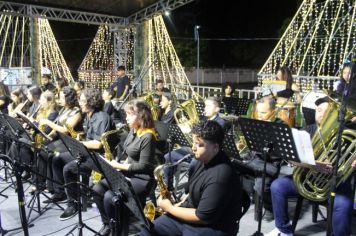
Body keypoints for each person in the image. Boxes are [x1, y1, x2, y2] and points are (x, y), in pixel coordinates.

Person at [266, 96, 355, 236]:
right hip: (307, 180)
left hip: (336, 183)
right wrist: (312, 165)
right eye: (318, 110)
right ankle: (284, 230)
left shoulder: (348, 132)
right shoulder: (306, 131)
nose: (321, 113)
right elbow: (291, 158)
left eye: (328, 111)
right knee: (278, 186)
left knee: (344, 205)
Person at [140, 120, 242, 236]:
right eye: (193, 142)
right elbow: (195, 192)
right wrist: (179, 204)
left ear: (215, 147)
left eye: (199, 144)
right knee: (147, 231)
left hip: (213, 226)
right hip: (193, 214)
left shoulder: (221, 175)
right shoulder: (201, 160)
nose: (193, 148)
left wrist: (170, 208)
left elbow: (201, 217)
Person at [46, 88, 114, 220]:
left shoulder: (101, 117)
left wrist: (79, 144)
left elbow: (98, 144)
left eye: (83, 101)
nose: (80, 103)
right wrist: (79, 138)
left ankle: (74, 204)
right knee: (57, 158)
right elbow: (89, 137)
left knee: (68, 168)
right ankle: (61, 192)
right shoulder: (89, 115)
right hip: (88, 153)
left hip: (99, 158)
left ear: (91, 101)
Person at [93, 99, 157, 235]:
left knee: (111, 197)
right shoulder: (133, 130)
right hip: (128, 173)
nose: (126, 118)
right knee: (98, 188)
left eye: (130, 114)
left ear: (141, 115)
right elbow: (129, 154)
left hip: (142, 178)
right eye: (126, 114)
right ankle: (109, 224)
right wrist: (116, 164)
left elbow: (144, 166)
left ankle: (120, 231)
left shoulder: (148, 136)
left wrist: (119, 166)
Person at [163, 96, 225, 191]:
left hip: (205, 152)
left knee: (193, 165)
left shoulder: (220, 123)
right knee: (168, 156)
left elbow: (208, 141)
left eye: (208, 106)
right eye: (205, 106)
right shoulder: (203, 119)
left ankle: (191, 190)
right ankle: (168, 186)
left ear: (217, 109)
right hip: (193, 147)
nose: (205, 108)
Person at [38, 86, 82, 192]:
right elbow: (56, 127)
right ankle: (48, 185)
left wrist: (48, 122)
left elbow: (64, 130)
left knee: (52, 155)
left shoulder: (77, 112)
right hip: (61, 140)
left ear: (69, 98)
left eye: (62, 97)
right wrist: (48, 136)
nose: (59, 100)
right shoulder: (63, 109)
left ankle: (59, 190)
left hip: (70, 142)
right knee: (43, 150)